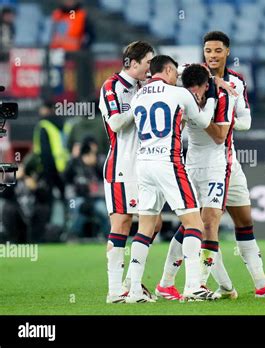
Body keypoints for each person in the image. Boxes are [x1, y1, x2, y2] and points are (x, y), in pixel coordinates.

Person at [157, 31, 265, 300]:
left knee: (244, 220)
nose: (212, 55)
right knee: (201, 223)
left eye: (218, 50)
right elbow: (168, 74)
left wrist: (224, 113)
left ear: (227, 52)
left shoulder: (237, 83)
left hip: (229, 161)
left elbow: (246, 122)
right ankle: (189, 283)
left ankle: (261, 284)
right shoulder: (189, 74)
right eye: (208, 50)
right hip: (198, 161)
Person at [126, 56, 219, 302]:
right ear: (167, 69)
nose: (176, 76)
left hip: (143, 163)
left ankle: (134, 290)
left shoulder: (138, 97)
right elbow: (204, 121)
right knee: (195, 224)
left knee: (144, 228)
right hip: (168, 162)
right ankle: (192, 286)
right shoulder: (178, 94)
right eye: (174, 72)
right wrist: (212, 98)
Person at [154, 63, 236, 300]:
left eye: (197, 90)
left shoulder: (223, 97)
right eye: (189, 89)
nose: (193, 94)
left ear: (206, 86)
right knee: (190, 224)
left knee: (209, 223)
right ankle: (166, 283)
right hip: (190, 166)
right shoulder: (184, 95)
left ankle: (198, 283)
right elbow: (170, 70)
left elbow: (220, 136)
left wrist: (202, 113)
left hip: (215, 168)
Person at [99, 41, 160, 304]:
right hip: (122, 165)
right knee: (122, 223)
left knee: (154, 223)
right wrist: (140, 102)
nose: (150, 68)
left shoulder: (144, 87)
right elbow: (115, 123)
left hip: (146, 164)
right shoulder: (112, 86)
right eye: (148, 62)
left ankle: (129, 283)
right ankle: (115, 290)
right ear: (132, 63)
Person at [64, 138, 109, 239]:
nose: (92, 157)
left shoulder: (97, 165)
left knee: (103, 210)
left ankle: (108, 236)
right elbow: (66, 178)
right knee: (78, 208)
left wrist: (96, 165)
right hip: (75, 198)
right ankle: (72, 235)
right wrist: (73, 158)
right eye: (89, 155)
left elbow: (104, 178)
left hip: (95, 199)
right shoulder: (75, 164)